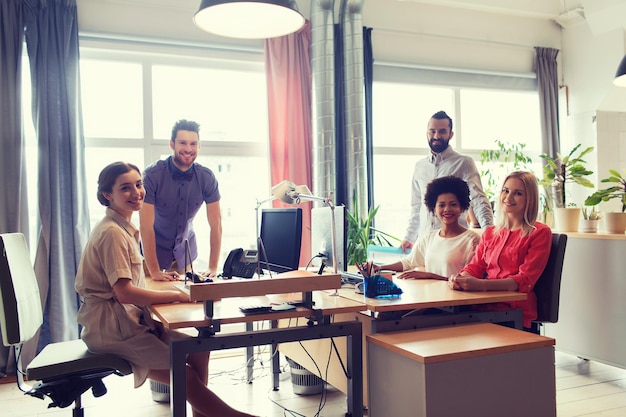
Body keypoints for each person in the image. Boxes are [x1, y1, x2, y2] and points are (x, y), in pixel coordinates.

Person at [75, 162, 256, 417]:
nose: (136, 192)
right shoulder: (112, 233)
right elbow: (124, 293)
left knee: (199, 348)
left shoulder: (123, 229)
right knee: (185, 377)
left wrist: (164, 282)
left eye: (138, 185)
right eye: (125, 188)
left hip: (125, 322)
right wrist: (177, 294)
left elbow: (128, 286)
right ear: (108, 195)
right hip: (113, 331)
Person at [448, 170, 552, 333]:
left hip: (514, 312)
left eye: (518, 193)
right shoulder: (489, 233)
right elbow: (475, 267)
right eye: (506, 191)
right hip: (483, 307)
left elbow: (524, 280)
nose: (509, 198)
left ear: (529, 199)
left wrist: (480, 285)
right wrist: (461, 278)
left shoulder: (539, 232)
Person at [140, 119, 222, 282]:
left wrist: (213, 267)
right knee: (151, 306)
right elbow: (145, 226)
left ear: (199, 146)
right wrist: (155, 271)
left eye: (193, 143)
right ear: (172, 144)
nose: (188, 149)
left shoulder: (206, 177)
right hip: (151, 260)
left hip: (185, 258)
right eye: (182, 143)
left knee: (185, 306)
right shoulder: (152, 175)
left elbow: (216, 224)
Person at [401, 110, 493, 252]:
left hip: (455, 243)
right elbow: (416, 207)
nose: (436, 136)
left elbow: (479, 200)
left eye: (442, 131)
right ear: (427, 133)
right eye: (432, 131)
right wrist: (409, 238)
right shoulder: (419, 166)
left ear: (451, 134)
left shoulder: (464, 163)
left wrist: (489, 233)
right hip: (424, 244)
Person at [375, 176, 480, 280]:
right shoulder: (429, 237)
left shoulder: (472, 240)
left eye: (453, 204)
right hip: (430, 296)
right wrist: (379, 268)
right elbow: (408, 262)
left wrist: (430, 276)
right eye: (441, 205)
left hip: (457, 297)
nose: (447, 209)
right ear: (434, 209)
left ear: (461, 208)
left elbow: (468, 281)